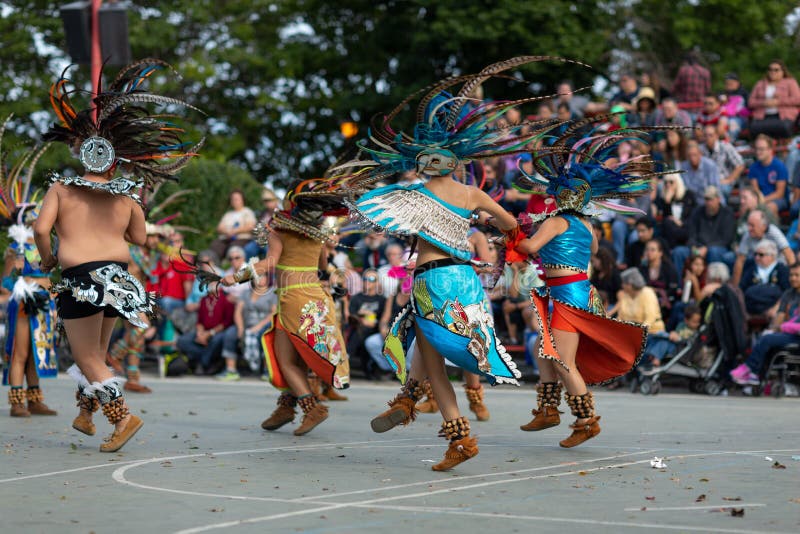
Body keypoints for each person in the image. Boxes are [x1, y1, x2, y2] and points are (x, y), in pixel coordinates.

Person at [349, 58, 560, 470]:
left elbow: (368, 213)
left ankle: (441, 422)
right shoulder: (470, 194)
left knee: (433, 358)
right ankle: (426, 410)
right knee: (430, 352)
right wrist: (483, 223)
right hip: (465, 279)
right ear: (456, 160)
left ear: (425, 160)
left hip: (431, 280)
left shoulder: (413, 195)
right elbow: (512, 224)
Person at [35, 59, 202, 452]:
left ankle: (122, 417)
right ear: (113, 162)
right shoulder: (127, 196)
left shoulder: (61, 189)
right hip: (121, 281)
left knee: (86, 355)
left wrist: (47, 260)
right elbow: (140, 239)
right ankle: (85, 413)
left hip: (82, 280)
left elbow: (42, 230)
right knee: (99, 353)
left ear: (83, 155)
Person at [511, 120, 656, 446]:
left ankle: (586, 419)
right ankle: (548, 409)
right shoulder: (585, 225)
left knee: (562, 360)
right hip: (575, 289)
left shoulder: (555, 221)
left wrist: (512, 236)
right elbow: (592, 251)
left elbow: (530, 248)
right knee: (543, 349)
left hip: (565, 293)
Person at [219, 178, 351, 436]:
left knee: (286, 360)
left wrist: (234, 276)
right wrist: (334, 278)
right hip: (316, 299)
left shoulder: (278, 229)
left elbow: (269, 264)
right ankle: (286, 406)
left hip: (293, 299)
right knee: (295, 356)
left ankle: (311, 407)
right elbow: (324, 267)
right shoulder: (319, 233)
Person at [1, 136, 59, 417]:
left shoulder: (48, 245)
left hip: (46, 301)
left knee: (39, 351)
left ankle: (35, 399)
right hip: (25, 302)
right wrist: (17, 271)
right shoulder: (16, 247)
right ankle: (16, 402)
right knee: (21, 352)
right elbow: (5, 282)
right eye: (37, 214)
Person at [731, 262, 800, 384]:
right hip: (789, 334)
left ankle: (749, 369)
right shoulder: (789, 294)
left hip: (796, 335)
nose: (793, 278)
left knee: (767, 340)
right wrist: (774, 328)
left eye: (797, 275)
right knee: (765, 337)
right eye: (791, 275)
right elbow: (780, 315)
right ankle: (757, 376)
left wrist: (784, 327)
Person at [748, 59, 800, 139]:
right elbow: (750, 102)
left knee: (783, 128)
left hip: (783, 117)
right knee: (754, 128)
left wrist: (778, 102)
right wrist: (763, 103)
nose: (773, 72)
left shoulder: (790, 82)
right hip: (762, 117)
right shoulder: (760, 84)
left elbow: (797, 99)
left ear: (783, 71)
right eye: (770, 69)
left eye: (776, 70)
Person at [749, 134, 790, 218]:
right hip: (760, 199)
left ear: (770, 150)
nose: (758, 152)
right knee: (746, 205)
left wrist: (762, 200)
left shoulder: (779, 166)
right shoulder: (753, 167)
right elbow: (755, 190)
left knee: (769, 208)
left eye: (761, 149)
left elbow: (780, 193)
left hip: (779, 200)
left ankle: (772, 230)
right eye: (756, 149)